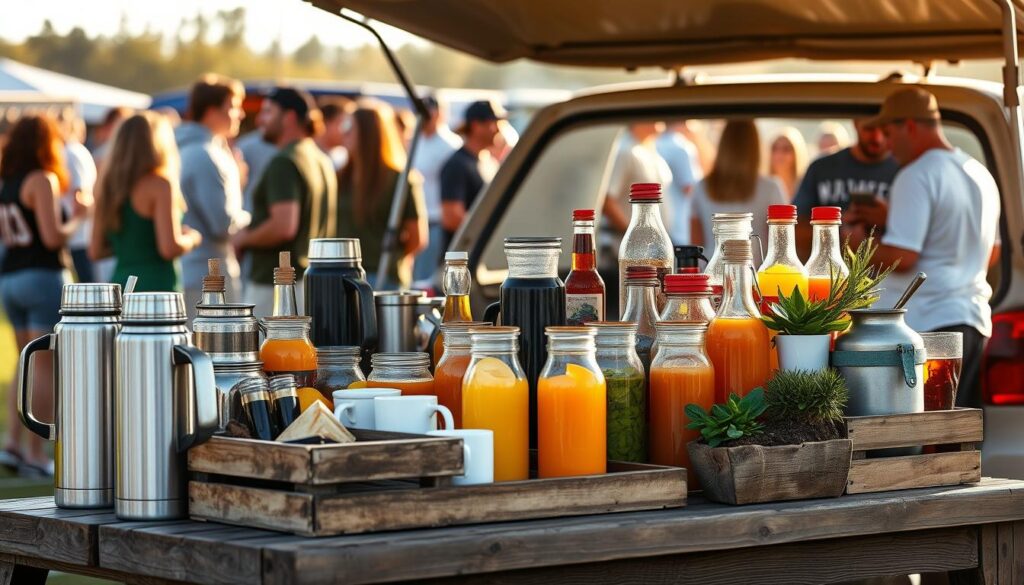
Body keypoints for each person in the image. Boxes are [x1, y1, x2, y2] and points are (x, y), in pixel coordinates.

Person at [848, 87, 1000, 409]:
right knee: (959, 438)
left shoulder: (915, 175)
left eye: (889, 134)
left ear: (911, 127)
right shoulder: (978, 173)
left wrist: (854, 244)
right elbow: (992, 253)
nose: (887, 146)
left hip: (928, 329)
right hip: (972, 323)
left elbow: (903, 258)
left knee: (921, 445)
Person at [0, 114, 88, 476]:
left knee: (25, 363)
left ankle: (13, 445)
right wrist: (80, 217)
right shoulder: (42, 178)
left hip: (11, 279)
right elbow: (53, 238)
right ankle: (36, 452)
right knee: (44, 366)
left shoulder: (6, 181)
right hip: (42, 276)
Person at [232, 87, 336, 316]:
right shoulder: (319, 157)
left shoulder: (285, 161)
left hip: (276, 288)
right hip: (304, 284)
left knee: (264, 352)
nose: (260, 119)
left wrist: (242, 239)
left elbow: (283, 227)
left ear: (289, 117)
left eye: (268, 111)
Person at [90, 112, 202, 292]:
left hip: (120, 285)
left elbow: (96, 251)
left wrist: (132, 246)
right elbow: (168, 248)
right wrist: (192, 238)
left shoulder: (107, 186)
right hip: (155, 288)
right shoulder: (160, 185)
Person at [177, 74, 251, 316]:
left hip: (194, 273)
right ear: (211, 111)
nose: (240, 114)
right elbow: (223, 224)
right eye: (233, 107)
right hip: (208, 280)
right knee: (213, 352)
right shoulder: (206, 155)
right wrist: (249, 217)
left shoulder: (183, 148)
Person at [336, 99, 428, 289]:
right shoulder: (339, 177)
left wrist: (394, 257)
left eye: (348, 127)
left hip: (383, 277)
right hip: (341, 275)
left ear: (367, 133)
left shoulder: (402, 180)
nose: (342, 132)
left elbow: (417, 238)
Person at [793, 118, 900, 257]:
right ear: (856, 123)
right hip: (827, 273)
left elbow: (919, 244)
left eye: (885, 131)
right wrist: (837, 226)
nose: (877, 138)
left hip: (885, 275)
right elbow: (794, 233)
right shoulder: (822, 168)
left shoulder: (904, 171)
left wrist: (889, 220)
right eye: (869, 129)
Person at [690, 119, 787, 247]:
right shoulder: (771, 189)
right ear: (756, 147)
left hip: (710, 266)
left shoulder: (701, 187)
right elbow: (778, 248)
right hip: (756, 267)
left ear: (723, 144)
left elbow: (695, 247)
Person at [411, 95, 462, 288]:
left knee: (427, 281)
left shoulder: (450, 145)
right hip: (418, 219)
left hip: (437, 221)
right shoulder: (416, 140)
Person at [440, 99, 504, 250]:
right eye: (493, 123)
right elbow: (452, 218)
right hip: (461, 259)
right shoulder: (457, 165)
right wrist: (491, 233)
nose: (498, 130)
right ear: (476, 126)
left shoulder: (487, 161)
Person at [601, 122, 674, 255]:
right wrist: (634, 237)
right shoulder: (625, 151)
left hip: (654, 250)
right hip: (631, 254)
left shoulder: (651, 150)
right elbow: (607, 200)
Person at [59, 109, 99, 282]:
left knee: (86, 301)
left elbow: (81, 199)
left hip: (79, 239)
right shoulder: (74, 151)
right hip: (79, 237)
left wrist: (67, 231)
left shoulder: (72, 152)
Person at [656, 121, 704, 244]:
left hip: (666, 226)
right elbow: (693, 190)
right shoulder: (681, 148)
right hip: (681, 229)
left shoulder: (656, 143)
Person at [767, 126, 809, 201]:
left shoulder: (806, 185)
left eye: (786, 149)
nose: (779, 154)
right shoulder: (764, 186)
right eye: (774, 148)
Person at [316, 97, 354, 171]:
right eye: (344, 124)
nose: (347, 131)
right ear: (326, 124)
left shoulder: (342, 158)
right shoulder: (309, 157)